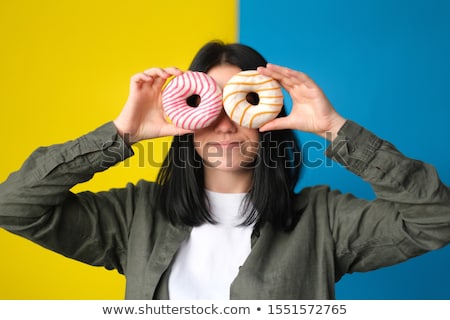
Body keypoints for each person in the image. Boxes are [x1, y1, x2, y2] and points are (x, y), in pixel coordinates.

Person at [0, 40, 449, 300]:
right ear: (186, 118)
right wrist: (122, 134)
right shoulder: (135, 216)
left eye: (242, 101)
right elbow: (13, 206)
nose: (224, 122)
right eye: (206, 102)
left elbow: (437, 220)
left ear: (268, 118)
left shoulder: (323, 220)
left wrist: (334, 129)